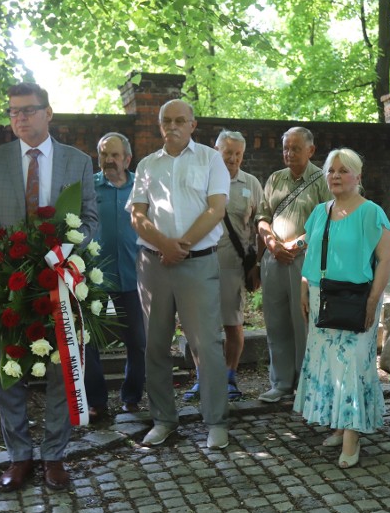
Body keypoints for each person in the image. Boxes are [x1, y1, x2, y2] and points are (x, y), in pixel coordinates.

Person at [0, 82, 98, 492]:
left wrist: (62, 255)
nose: (19, 118)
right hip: (10, 287)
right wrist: (8, 257)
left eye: (28, 110)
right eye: (13, 112)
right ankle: (19, 457)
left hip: (58, 284)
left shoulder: (76, 161)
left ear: (49, 113)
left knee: (61, 369)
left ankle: (55, 458)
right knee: (9, 374)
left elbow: (91, 220)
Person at [129, 99, 231, 449]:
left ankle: (215, 420)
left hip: (197, 262)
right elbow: (137, 215)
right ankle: (163, 419)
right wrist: (163, 244)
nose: (171, 126)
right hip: (153, 265)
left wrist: (181, 244)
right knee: (155, 345)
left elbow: (216, 210)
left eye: (178, 120)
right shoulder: (147, 165)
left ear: (192, 124)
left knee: (207, 345)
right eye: (165, 120)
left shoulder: (210, 159)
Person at [294, 148, 390, 469]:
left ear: (358, 176)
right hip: (322, 295)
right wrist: (304, 289)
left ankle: (352, 436)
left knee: (351, 364)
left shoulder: (371, 212)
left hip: (358, 298)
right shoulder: (321, 212)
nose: (335, 176)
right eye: (331, 170)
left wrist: (372, 300)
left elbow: (385, 260)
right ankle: (339, 424)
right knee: (327, 364)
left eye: (343, 170)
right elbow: (309, 254)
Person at [183, 130, 262, 402]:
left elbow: (258, 225)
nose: (233, 158)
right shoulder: (198, 180)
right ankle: (203, 377)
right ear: (215, 150)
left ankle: (229, 376)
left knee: (232, 323)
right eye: (228, 152)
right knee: (199, 325)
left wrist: (257, 264)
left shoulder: (250, 183)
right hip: (198, 263)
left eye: (238, 154)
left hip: (233, 266)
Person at [255, 127, 332, 403]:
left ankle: (306, 382)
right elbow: (262, 217)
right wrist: (272, 243)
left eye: (295, 148)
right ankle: (281, 382)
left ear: (310, 150)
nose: (289, 153)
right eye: (286, 147)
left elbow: (329, 220)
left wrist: (297, 245)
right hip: (273, 258)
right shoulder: (275, 179)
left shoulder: (323, 179)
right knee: (276, 321)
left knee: (304, 321)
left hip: (306, 260)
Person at [83, 132, 146, 419]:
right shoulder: (88, 188)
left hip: (134, 276)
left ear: (128, 159)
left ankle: (131, 398)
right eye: (104, 154)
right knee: (89, 341)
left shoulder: (142, 188)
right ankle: (96, 401)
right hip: (94, 279)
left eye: (114, 155)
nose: (108, 160)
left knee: (138, 341)